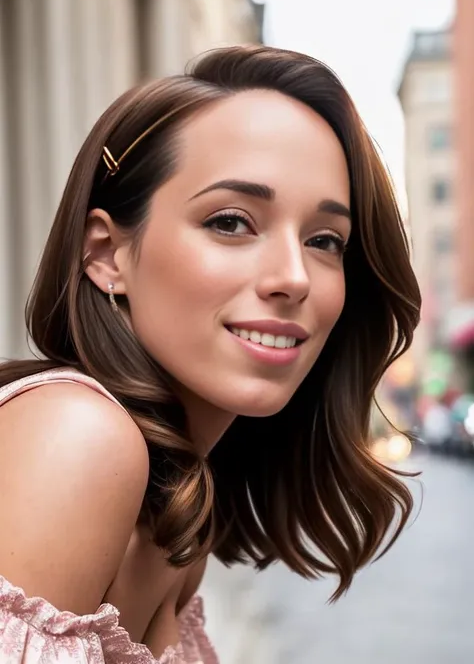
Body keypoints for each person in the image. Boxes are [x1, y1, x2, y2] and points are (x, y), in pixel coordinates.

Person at [0, 45, 421, 663]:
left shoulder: (181, 514)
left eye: (325, 240)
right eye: (230, 222)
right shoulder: (78, 437)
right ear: (107, 254)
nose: (294, 277)